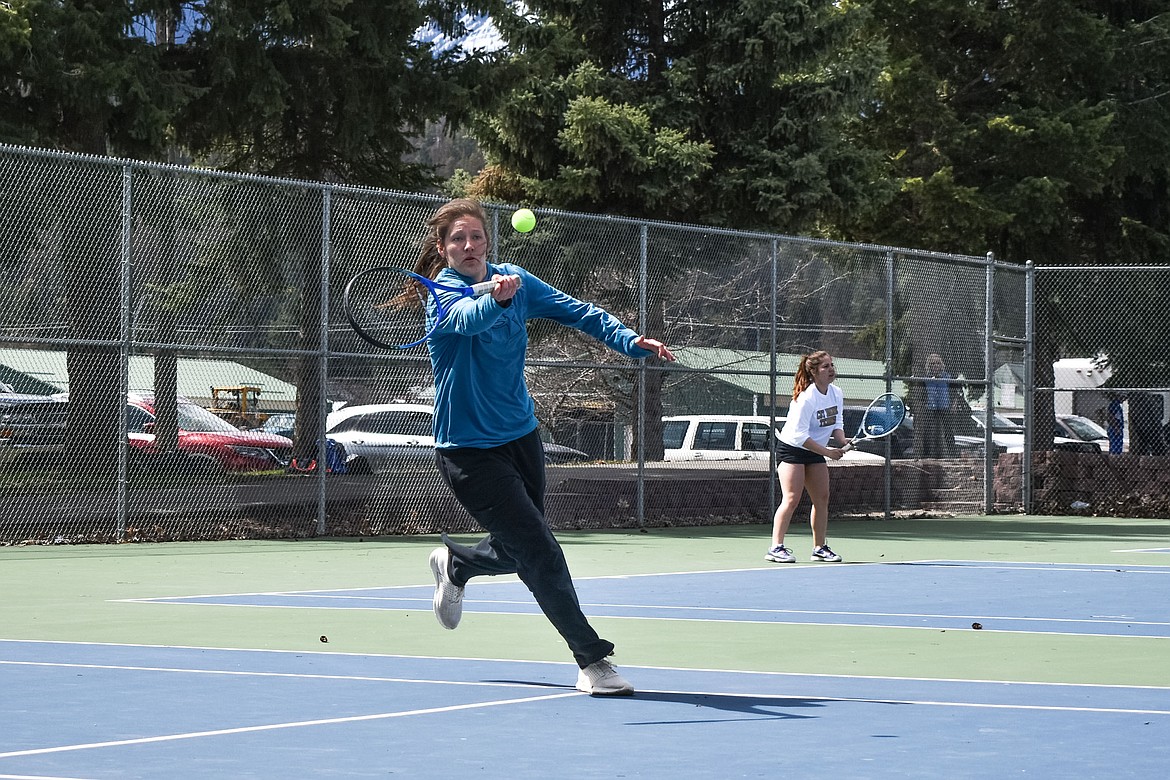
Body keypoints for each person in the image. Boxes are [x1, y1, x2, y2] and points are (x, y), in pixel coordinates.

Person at [417, 198, 676, 697]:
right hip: (468, 452)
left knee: (522, 551)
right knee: (540, 550)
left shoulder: (515, 277)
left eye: (475, 236)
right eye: (457, 240)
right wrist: (499, 299)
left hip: (521, 438)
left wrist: (627, 340)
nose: (468, 246)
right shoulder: (443, 296)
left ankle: (460, 565)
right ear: (443, 248)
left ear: (488, 242)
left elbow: (576, 312)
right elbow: (469, 319)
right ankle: (593, 661)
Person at [765, 350, 846, 564]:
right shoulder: (806, 398)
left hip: (815, 450)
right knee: (791, 498)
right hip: (792, 448)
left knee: (822, 498)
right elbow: (800, 436)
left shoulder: (836, 393)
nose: (831, 370)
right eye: (825, 367)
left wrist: (843, 441)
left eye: (832, 365)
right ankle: (776, 547)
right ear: (814, 372)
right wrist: (828, 452)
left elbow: (837, 424)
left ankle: (819, 548)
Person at [921, 353, 954, 458]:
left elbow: (953, 391)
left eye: (937, 363)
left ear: (941, 365)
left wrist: (953, 404)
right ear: (929, 365)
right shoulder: (926, 377)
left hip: (944, 405)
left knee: (948, 431)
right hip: (931, 406)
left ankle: (952, 454)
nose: (935, 366)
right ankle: (929, 455)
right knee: (929, 431)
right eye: (933, 364)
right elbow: (922, 393)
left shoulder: (946, 376)